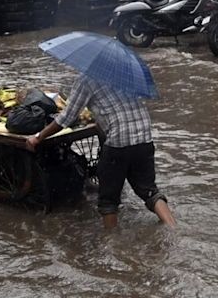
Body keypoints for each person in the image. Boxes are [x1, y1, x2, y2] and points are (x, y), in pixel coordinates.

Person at [25, 74, 176, 229]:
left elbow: (67, 117)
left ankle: (111, 244)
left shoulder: (86, 80)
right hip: (144, 137)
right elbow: (117, 109)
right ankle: (172, 229)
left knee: (108, 200)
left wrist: (38, 137)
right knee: (149, 190)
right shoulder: (123, 75)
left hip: (118, 142)